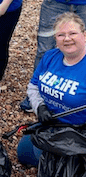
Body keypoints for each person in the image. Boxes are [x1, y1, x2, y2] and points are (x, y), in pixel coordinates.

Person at [17, 12, 86, 166]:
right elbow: (33, 87)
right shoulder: (50, 57)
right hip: (51, 125)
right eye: (61, 35)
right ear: (56, 39)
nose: (67, 39)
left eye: (73, 33)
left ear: (84, 35)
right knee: (24, 153)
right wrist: (39, 107)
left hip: (78, 133)